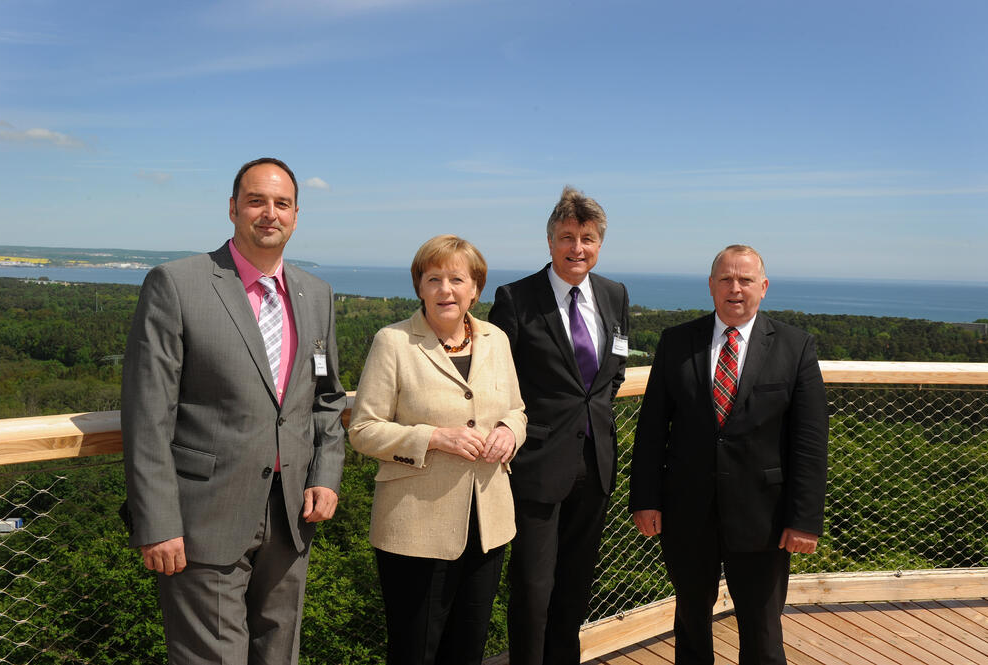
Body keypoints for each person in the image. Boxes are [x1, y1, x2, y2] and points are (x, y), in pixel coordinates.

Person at [121, 157, 347, 665]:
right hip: (202, 519)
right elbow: (148, 413)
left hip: (291, 516)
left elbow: (327, 399)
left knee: (277, 654)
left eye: (282, 203)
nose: (270, 213)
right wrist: (157, 521)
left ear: (296, 214)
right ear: (232, 209)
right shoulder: (177, 284)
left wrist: (326, 475)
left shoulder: (316, 295)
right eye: (256, 201)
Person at [630, 244, 829, 665]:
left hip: (765, 518)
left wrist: (804, 519)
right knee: (690, 620)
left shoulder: (795, 347)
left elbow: (810, 444)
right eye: (725, 279)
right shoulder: (676, 342)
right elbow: (651, 429)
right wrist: (646, 499)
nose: (735, 289)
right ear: (710, 286)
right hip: (686, 511)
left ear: (764, 287)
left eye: (745, 280)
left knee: (761, 630)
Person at [348, 234, 526, 665]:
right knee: (414, 650)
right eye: (434, 279)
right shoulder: (392, 342)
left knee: (468, 648)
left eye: (456, 279)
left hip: (487, 524)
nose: (445, 290)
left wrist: (509, 432)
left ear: (475, 288)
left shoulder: (497, 339)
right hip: (414, 527)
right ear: (420, 287)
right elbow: (363, 429)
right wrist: (432, 437)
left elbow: (518, 410)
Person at [489, 186, 629, 665]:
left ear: (599, 244)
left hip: (595, 461)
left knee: (576, 583)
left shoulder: (614, 294)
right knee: (532, 587)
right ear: (550, 241)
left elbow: (616, 369)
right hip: (535, 464)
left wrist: (594, 415)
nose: (577, 248)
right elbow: (495, 381)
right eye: (567, 237)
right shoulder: (516, 298)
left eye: (587, 238)